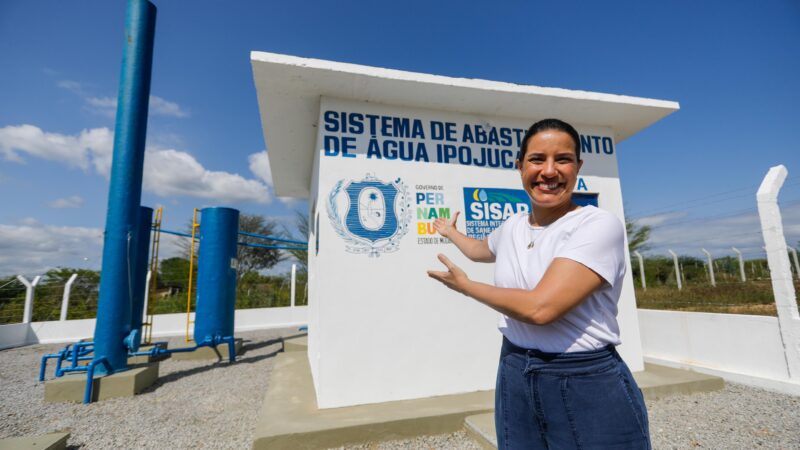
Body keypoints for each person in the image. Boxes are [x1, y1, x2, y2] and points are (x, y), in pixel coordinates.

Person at [427, 118, 650, 449]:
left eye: (562, 159)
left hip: (584, 378)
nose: (549, 171)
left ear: (578, 167)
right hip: (515, 368)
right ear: (520, 167)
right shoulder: (513, 225)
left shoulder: (596, 225)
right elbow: (478, 250)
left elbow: (541, 308)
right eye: (537, 159)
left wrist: (466, 286)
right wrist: (450, 232)